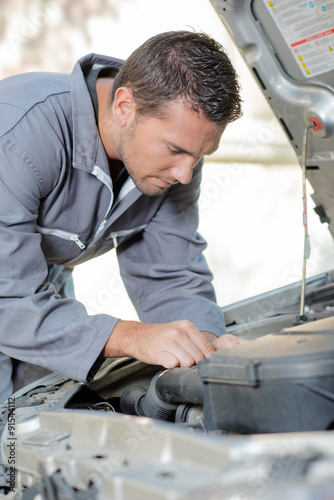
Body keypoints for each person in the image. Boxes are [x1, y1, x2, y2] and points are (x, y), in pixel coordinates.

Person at [0, 30, 244, 403]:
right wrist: (132, 336)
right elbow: (8, 301)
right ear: (124, 107)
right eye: (176, 150)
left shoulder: (175, 164)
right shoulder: (18, 135)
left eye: (198, 155)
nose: (185, 174)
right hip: (11, 293)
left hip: (37, 286)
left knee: (33, 425)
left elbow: (168, 272)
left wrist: (204, 345)